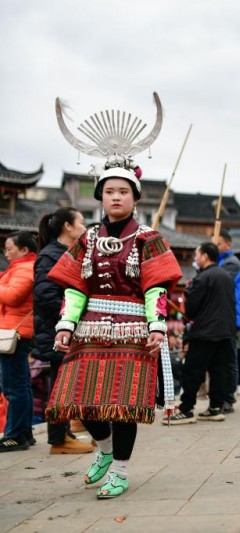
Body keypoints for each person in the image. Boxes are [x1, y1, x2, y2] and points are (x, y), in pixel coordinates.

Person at [46, 161, 182, 498]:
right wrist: (66, 325)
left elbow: (156, 288)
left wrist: (156, 326)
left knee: (123, 405)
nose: (116, 197)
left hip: (133, 329)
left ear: (135, 198)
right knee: (79, 401)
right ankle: (104, 449)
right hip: (90, 328)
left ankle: (120, 470)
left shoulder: (148, 237)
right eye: (109, 192)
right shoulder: (88, 238)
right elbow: (76, 288)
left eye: (123, 191)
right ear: (100, 197)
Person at [32, 208, 94, 454]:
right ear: (67, 226)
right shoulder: (50, 256)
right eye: (81, 221)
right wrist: (70, 320)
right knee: (61, 385)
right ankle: (58, 439)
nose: (84, 226)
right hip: (59, 333)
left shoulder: (70, 252)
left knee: (68, 383)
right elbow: (45, 297)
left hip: (69, 331)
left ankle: (66, 431)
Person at [163, 242, 237, 425]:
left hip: (205, 332)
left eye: (197, 255)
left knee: (192, 371)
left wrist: (189, 293)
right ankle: (215, 407)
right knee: (218, 371)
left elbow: (191, 309)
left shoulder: (202, 278)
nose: (195, 259)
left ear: (205, 256)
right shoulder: (226, 277)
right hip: (225, 332)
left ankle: (186, 408)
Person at [0, 231, 37, 452]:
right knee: (19, 384)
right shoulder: (20, 268)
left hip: (14, 334)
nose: (6, 253)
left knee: (14, 386)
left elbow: (12, 296)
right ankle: (23, 432)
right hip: (15, 332)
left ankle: (15, 435)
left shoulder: (25, 269)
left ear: (24, 250)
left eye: (9, 248)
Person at [217, 229, 240, 409]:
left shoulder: (231, 263)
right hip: (223, 316)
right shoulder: (222, 262)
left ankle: (229, 398)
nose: (216, 247)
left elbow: (218, 282)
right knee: (223, 359)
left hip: (230, 317)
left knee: (229, 360)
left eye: (219, 244)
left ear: (228, 244)